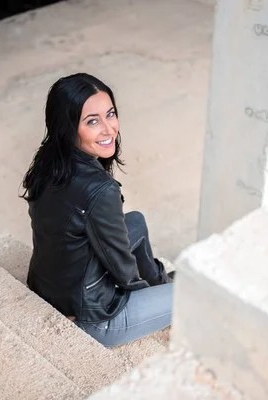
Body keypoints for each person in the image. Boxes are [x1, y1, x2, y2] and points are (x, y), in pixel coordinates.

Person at [20, 73, 174, 347]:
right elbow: (122, 269)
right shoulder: (101, 191)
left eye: (110, 114)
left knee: (135, 221)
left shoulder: (47, 161)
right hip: (92, 317)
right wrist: (140, 295)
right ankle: (161, 288)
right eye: (92, 121)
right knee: (197, 294)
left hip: (47, 285)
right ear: (68, 127)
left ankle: (159, 280)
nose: (109, 128)